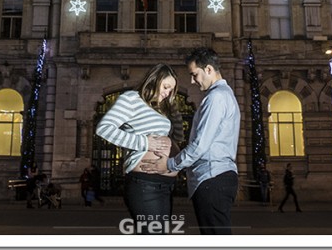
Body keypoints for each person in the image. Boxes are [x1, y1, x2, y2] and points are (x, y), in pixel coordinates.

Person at [145, 47, 241, 235]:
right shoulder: (225, 95)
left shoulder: (216, 98)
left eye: (194, 74)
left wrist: (170, 164)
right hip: (218, 177)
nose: (192, 81)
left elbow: (200, 145)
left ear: (208, 70)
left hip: (212, 178)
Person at [95, 63, 178, 233]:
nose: (167, 93)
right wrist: (145, 143)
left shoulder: (159, 107)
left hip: (164, 184)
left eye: (171, 90)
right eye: (166, 87)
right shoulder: (131, 98)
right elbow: (104, 128)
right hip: (145, 184)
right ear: (154, 80)